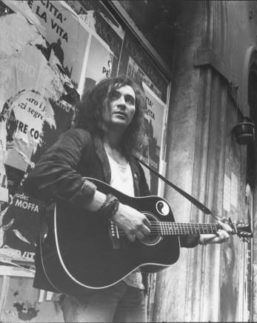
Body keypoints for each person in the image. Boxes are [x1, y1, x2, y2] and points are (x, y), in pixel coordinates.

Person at [23, 77, 231, 322]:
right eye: (114, 96)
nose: (122, 103)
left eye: (129, 100)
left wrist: (199, 236)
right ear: (98, 104)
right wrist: (115, 209)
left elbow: (148, 225)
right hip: (92, 278)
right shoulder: (80, 139)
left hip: (132, 285)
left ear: (135, 113)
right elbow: (47, 173)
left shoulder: (134, 166)